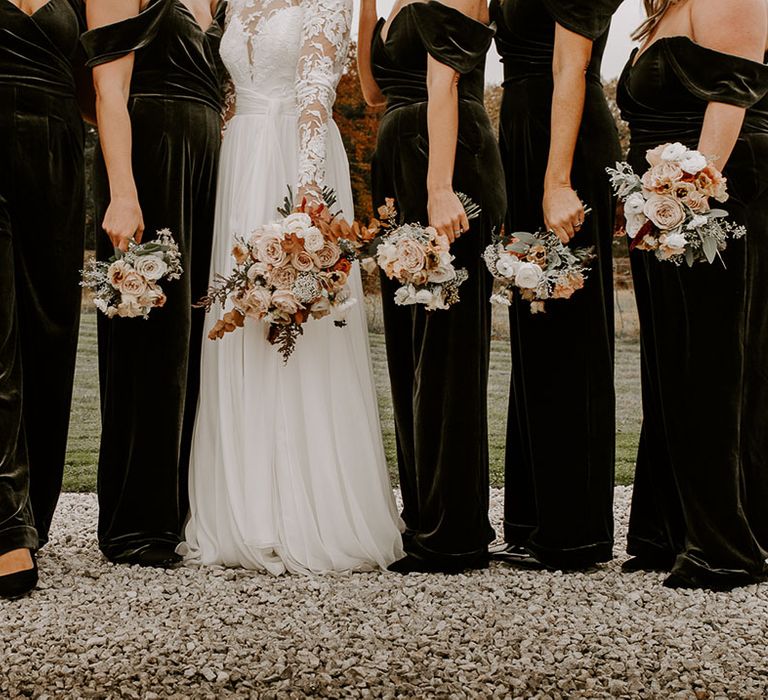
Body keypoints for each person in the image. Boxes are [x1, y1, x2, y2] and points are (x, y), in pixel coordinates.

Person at [181, 0, 404, 574]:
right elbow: (230, 94)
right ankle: (242, 509)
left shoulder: (326, 0)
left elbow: (316, 88)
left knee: (296, 319)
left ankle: (308, 510)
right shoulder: (236, 3)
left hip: (292, 158)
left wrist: (307, 199)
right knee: (240, 317)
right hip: (239, 159)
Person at [618, 0, 768, 589]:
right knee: (669, 362)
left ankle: (725, 543)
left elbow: (731, 97)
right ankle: (672, 527)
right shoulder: (664, 9)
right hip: (658, 202)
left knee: (712, 363)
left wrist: (686, 201)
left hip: (712, 197)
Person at [358, 0, 507, 573]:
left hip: (445, 156)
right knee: (410, 344)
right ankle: (425, 515)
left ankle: (455, 531)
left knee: (447, 345)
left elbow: (443, 81)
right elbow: (373, 93)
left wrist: (440, 187)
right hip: (400, 154)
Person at [82, 0, 225, 566]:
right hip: (151, 153)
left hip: (206, 163)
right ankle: (135, 520)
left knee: (190, 338)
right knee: (148, 331)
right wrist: (123, 189)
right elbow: (108, 88)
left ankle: (174, 512)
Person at [488, 0, 623, 572]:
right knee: (534, 327)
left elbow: (571, 65)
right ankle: (530, 520)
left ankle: (573, 532)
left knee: (567, 328)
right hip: (522, 132)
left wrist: (557, 181)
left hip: (561, 142)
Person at [0, 0, 88, 598]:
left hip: (58, 152)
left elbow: (100, 88)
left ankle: (36, 512)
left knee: (50, 333)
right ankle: (6, 528)